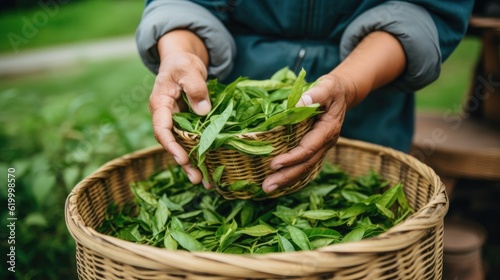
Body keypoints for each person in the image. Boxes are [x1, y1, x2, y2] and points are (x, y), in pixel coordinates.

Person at [135, 0, 474, 193]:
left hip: (369, 111)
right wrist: (181, 53)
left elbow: (425, 8)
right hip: (229, 152)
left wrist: (350, 84)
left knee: (366, 222)